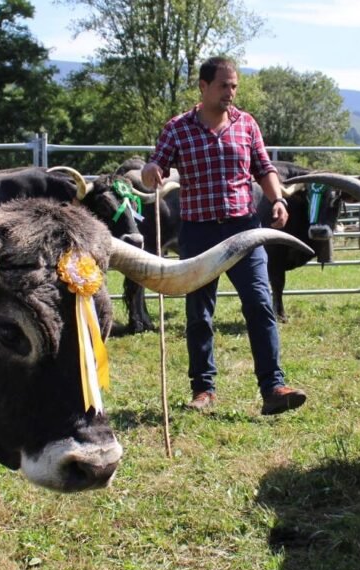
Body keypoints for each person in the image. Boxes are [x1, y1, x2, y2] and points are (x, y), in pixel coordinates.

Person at [141, 56, 307, 416]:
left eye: (234, 86)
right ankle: (203, 390)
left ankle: (273, 387)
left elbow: (263, 167)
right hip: (198, 232)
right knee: (199, 312)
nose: (230, 92)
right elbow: (155, 167)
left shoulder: (246, 124)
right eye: (223, 86)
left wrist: (277, 199)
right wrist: (151, 169)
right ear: (203, 87)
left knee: (261, 304)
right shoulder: (178, 128)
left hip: (243, 229)